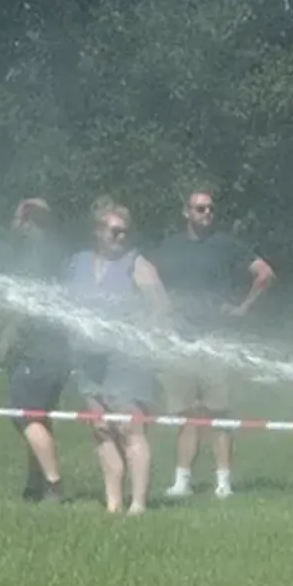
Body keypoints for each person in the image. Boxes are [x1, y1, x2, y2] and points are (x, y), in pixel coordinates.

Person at [150, 189, 275, 500]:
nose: (206, 214)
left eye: (210, 209)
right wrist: (161, 311)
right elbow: (149, 280)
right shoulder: (171, 247)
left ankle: (223, 482)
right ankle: (182, 481)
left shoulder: (226, 245)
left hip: (216, 340)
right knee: (187, 413)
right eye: (200, 209)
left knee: (219, 412)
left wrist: (243, 307)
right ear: (186, 212)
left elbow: (264, 273)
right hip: (180, 341)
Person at [66, 200, 170, 514]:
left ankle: (137, 504)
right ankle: (113, 503)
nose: (120, 237)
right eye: (114, 231)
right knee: (100, 429)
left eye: (125, 232)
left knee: (130, 430)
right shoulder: (77, 262)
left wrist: (140, 337)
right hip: (87, 360)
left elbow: (161, 308)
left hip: (127, 362)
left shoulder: (138, 265)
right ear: (98, 232)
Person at [0, 198, 70, 502]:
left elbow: (23, 307)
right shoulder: (57, 252)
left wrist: (5, 341)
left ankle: (54, 485)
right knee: (38, 418)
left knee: (23, 415)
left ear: (28, 220)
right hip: (58, 352)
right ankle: (34, 484)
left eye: (16, 216)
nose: (13, 223)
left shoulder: (33, 256)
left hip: (35, 351)